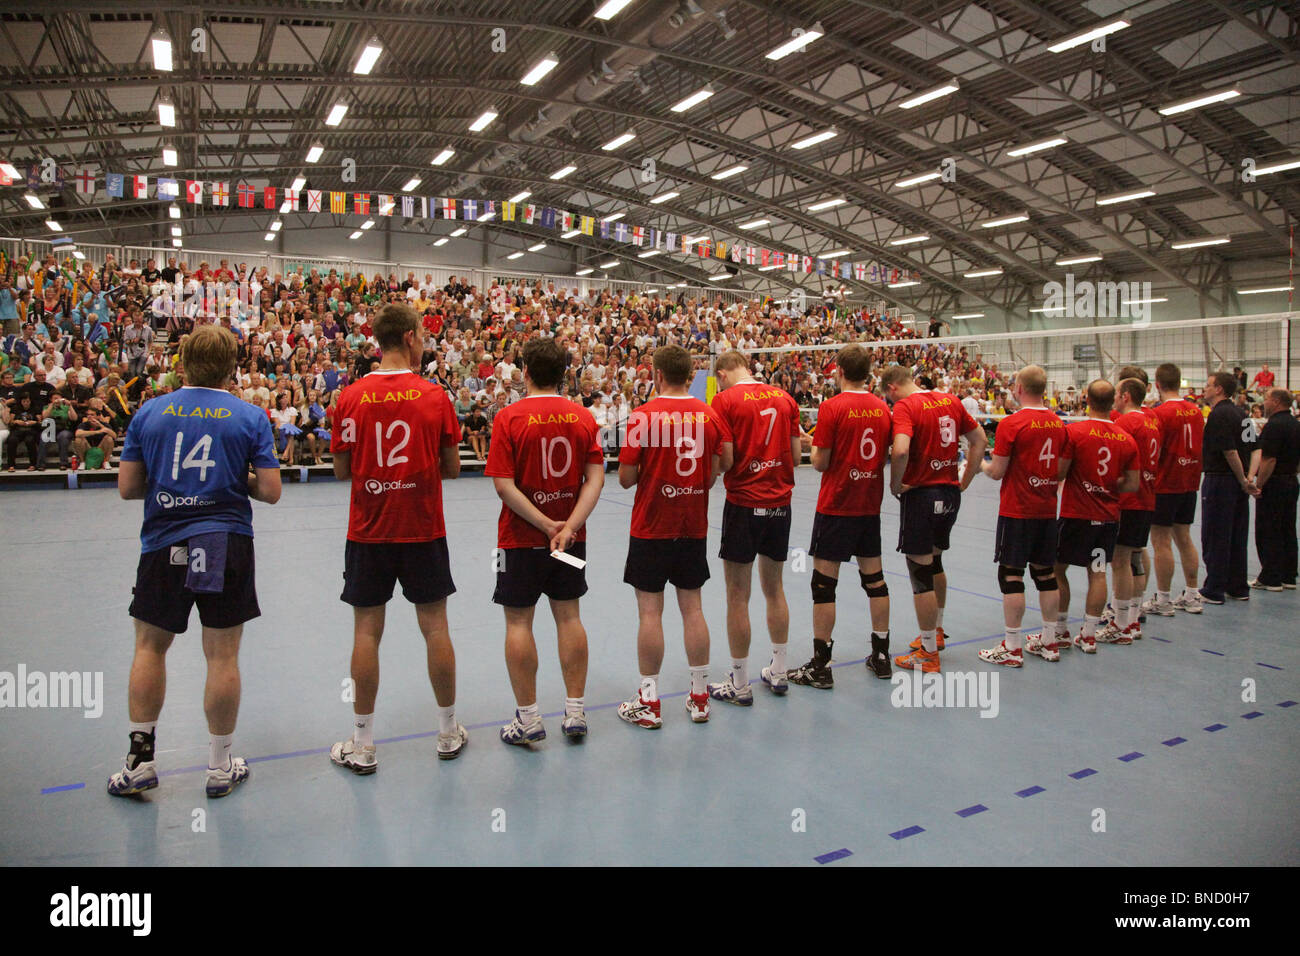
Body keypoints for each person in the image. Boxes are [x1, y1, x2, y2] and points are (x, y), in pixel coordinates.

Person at [107, 324, 282, 798]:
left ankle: (139, 760)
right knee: (221, 654)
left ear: (181, 360)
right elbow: (269, 491)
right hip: (224, 542)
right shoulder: (248, 416)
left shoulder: (151, 412)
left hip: (164, 543)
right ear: (232, 366)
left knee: (149, 648)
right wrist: (235, 480)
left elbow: (127, 487)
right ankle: (220, 765)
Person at [327, 303, 467, 774]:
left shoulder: (349, 397)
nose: (425, 340)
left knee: (367, 631)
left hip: (369, 531)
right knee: (436, 627)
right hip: (422, 528)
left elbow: (342, 469)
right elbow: (452, 468)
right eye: (423, 334)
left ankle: (363, 742)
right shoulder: (435, 395)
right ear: (409, 337)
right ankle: (448, 732)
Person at [485, 338, 605, 744]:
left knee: (519, 621)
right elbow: (596, 479)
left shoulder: (509, 418)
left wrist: (544, 524)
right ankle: (575, 713)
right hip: (570, 544)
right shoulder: (583, 418)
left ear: (526, 371)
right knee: (569, 616)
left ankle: (529, 718)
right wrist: (567, 527)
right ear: (566, 372)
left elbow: (504, 486)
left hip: (519, 541)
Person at [616, 345, 732, 728]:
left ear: (658, 375)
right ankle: (700, 695)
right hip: (692, 525)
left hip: (651, 526)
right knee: (693, 608)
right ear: (690, 376)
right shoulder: (710, 415)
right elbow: (723, 465)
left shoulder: (643, 416)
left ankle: (649, 701)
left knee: (650, 612)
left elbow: (626, 477)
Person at [787, 345, 893, 688]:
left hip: (837, 505)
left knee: (823, 585)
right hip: (869, 504)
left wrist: (812, 443)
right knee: (875, 580)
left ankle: (821, 664)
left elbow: (819, 462)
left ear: (840, 372)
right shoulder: (882, 408)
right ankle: (881, 655)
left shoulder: (832, 407)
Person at [707, 349, 802, 703]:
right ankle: (779, 671)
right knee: (774, 589)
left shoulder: (725, 399)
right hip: (780, 502)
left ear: (724, 372)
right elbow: (794, 454)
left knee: (737, 595)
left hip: (745, 503)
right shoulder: (784, 397)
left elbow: (726, 459)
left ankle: (740, 682)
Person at [881, 365, 986, 673]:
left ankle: (928, 652)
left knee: (920, 573)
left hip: (922, 496)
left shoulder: (905, 406)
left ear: (891, 388)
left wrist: (895, 484)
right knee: (935, 562)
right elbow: (979, 440)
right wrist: (964, 480)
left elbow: (900, 451)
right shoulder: (950, 400)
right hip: (949, 495)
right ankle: (936, 631)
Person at [976, 365, 1066, 667]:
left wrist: (979, 465)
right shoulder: (1058, 423)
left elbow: (997, 471)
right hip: (1046, 509)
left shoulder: (1012, 424)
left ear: (1019, 389)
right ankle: (1050, 641)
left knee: (1011, 575)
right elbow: (1061, 470)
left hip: (1017, 509)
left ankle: (1013, 647)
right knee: (1045, 574)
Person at [1053, 380, 1140, 653]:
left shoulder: (1074, 432)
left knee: (1056, 570)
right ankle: (1089, 635)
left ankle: (1060, 630)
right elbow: (1133, 484)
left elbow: (1060, 473)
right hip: (1107, 517)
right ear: (1113, 400)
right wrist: (1108, 486)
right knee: (1098, 573)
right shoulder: (1127, 439)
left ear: (1085, 399)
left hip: (1076, 514)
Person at [1102, 375, 1161, 642]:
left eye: (1117, 393)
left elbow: (1115, 459)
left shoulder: (1126, 422)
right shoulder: (1152, 420)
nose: (1115, 397)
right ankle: (1133, 619)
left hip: (1129, 500)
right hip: (1148, 497)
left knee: (1120, 561)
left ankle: (1120, 622)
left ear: (1125, 396)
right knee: (1135, 557)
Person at [1145, 363, 1204, 616]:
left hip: (1165, 483)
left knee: (1161, 542)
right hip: (1189, 482)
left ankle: (1164, 600)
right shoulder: (1196, 411)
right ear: (1179, 382)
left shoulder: (1159, 414)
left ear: (1157, 385)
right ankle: (1192, 594)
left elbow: (1154, 452)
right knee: (1184, 537)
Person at [1198, 371, 1259, 604]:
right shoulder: (1242, 414)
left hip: (1221, 480)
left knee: (1216, 534)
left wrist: (1243, 478)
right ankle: (1238, 587)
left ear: (1219, 390)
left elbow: (1229, 451)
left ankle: (1214, 589)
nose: (1205, 389)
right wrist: (1249, 478)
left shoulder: (1218, 415)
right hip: (1237, 483)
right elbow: (1256, 448)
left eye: (1208, 385)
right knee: (1237, 534)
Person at [1248, 388, 1300, 590]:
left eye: (1267, 399)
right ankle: (1288, 575)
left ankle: (1270, 576)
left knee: (1268, 528)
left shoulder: (1274, 426)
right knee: (1287, 528)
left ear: (1277, 402)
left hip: (1275, 482)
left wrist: (1258, 485)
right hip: (1291, 481)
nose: (1264, 403)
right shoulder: (1295, 424)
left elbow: (1269, 459)